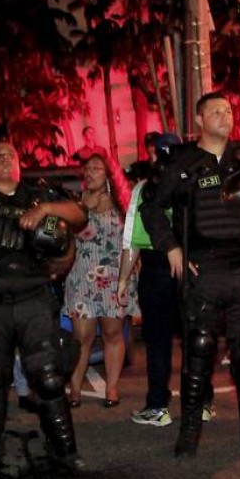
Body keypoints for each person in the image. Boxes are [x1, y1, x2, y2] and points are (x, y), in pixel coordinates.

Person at [140, 94, 240, 457]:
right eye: (216, 111)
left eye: (228, 111)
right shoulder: (180, 162)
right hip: (203, 270)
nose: (225, 115)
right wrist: (173, 248)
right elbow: (152, 208)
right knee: (200, 347)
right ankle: (190, 428)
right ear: (199, 118)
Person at [0, 137, 88, 476]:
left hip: (33, 299)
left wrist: (46, 210)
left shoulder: (39, 195)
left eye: (12, 155)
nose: (7, 160)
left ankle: (65, 450)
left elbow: (80, 215)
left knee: (49, 379)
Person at [124, 133, 212, 428]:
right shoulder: (198, 183)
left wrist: (124, 278)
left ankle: (158, 405)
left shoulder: (148, 188)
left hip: (159, 267)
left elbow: (133, 240)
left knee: (160, 341)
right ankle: (200, 403)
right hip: (195, 266)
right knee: (194, 337)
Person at [65, 150, 135, 408]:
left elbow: (132, 242)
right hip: (81, 276)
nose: (90, 172)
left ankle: (112, 388)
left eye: (96, 168)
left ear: (109, 174)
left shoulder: (122, 204)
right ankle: (74, 389)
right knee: (81, 336)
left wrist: (127, 277)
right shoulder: (76, 202)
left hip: (114, 276)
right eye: (88, 169)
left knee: (113, 332)